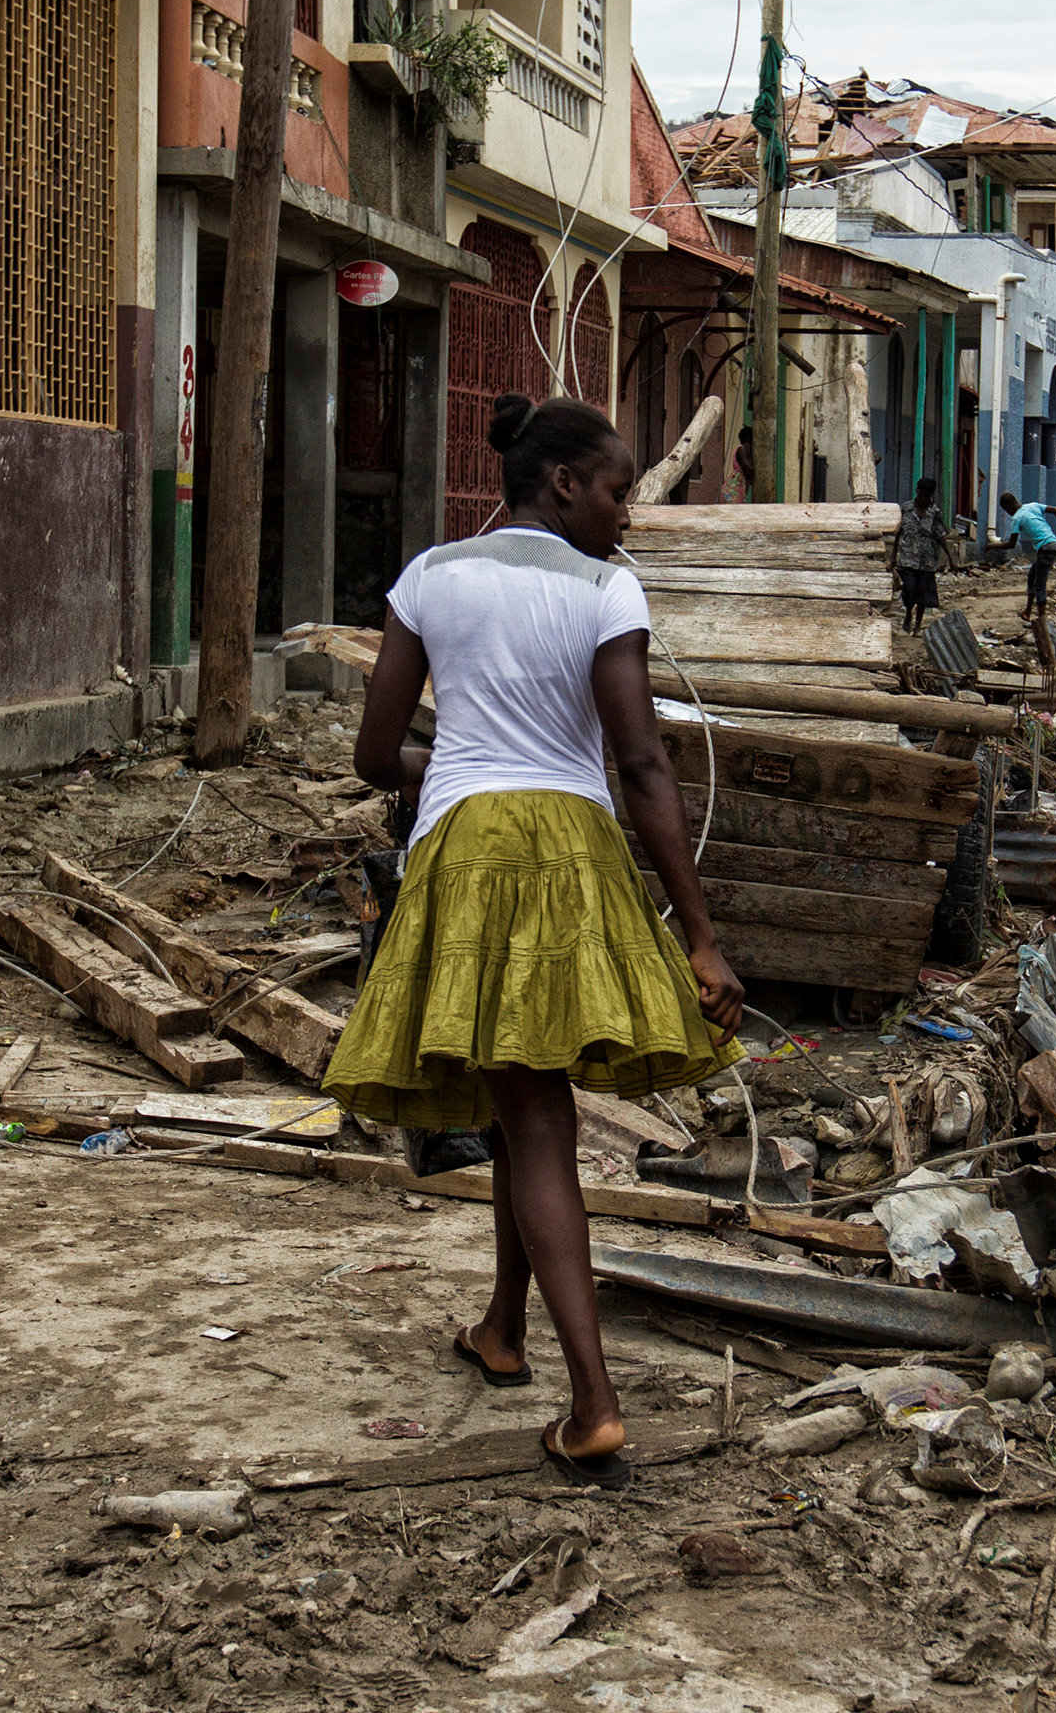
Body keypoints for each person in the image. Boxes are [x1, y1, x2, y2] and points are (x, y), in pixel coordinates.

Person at [334, 392, 747, 1491]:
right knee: (533, 1106)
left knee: (527, 1110)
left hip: (468, 851)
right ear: (562, 481)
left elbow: (378, 753)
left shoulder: (430, 576)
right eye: (617, 488)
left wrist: (451, 770)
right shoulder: (606, 587)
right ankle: (584, 1393)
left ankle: (532, 1350)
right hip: (572, 853)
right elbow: (643, 765)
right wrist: (700, 936)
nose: (627, 511)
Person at [890, 476, 955, 632]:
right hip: (907, 559)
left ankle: (918, 625)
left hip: (927, 560)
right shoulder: (905, 508)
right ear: (917, 491)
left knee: (923, 594)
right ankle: (908, 614)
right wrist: (892, 557)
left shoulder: (935, 512)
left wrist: (952, 558)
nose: (924, 499)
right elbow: (898, 533)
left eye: (928, 496)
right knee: (909, 588)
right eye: (922, 495)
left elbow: (940, 535)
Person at [998, 491, 1056, 622]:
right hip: (1054, 544)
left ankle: (1042, 619)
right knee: (1033, 575)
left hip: (1046, 548)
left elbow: (1011, 544)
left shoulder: (1017, 518)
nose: (1008, 513)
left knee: (1040, 583)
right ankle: (1027, 612)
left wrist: (992, 546)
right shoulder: (1032, 506)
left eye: (1006, 510)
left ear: (1009, 506)